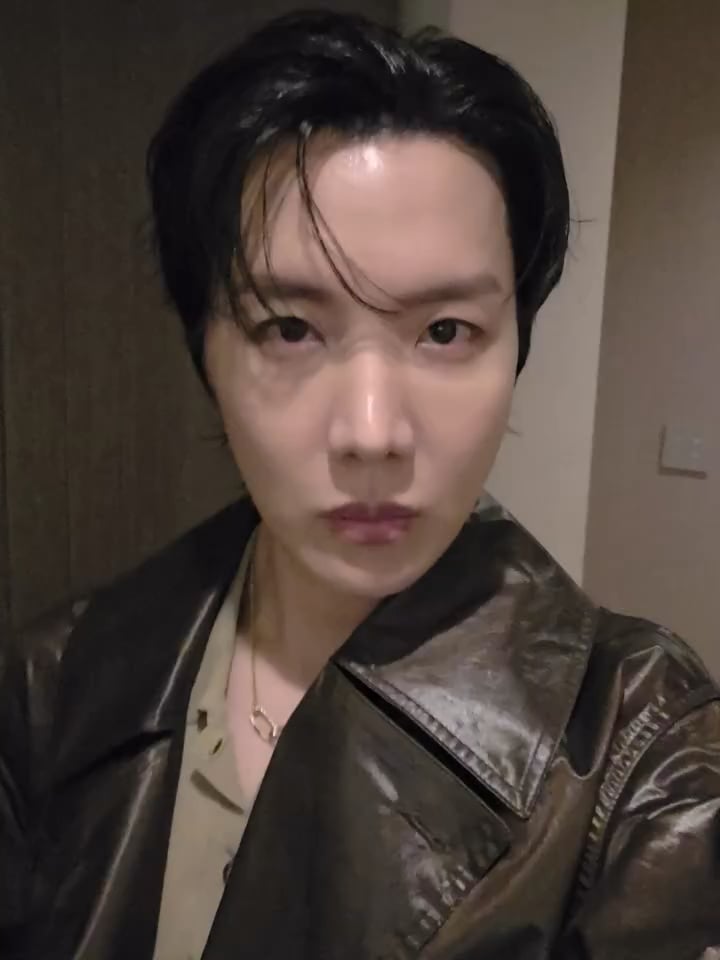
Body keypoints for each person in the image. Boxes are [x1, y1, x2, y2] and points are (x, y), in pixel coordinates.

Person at [1, 8, 718, 959]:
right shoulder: (55, 684)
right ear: (204, 350)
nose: (373, 433)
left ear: (517, 346)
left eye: (446, 332)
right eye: (291, 329)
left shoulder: (640, 751)